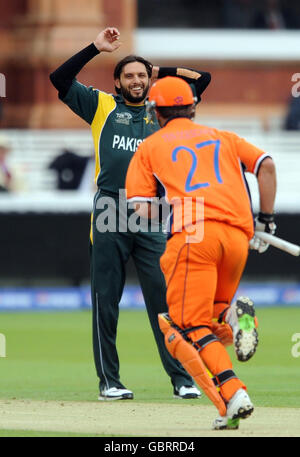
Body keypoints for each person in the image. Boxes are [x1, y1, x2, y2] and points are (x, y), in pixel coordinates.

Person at [49, 27, 212, 400]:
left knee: (164, 302)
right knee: (106, 299)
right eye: (129, 76)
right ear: (117, 82)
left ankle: (182, 379)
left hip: (153, 211)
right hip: (110, 208)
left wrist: (159, 71)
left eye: (141, 75)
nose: (137, 81)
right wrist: (95, 47)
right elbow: (59, 79)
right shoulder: (102, 105)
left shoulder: (167, 112)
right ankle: (110, 382)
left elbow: (202, 80)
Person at [125, 76, 277, 429]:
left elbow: (141, 209)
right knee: (210, 317)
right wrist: (266, 222)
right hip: (238, 237)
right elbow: (266, 165)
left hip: (193, 237)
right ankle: (234, 320)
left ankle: (234, 391)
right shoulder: (223, 137)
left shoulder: (149, 146)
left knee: (183, 327)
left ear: (155, 111)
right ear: (193, 106)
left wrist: (174, 205)